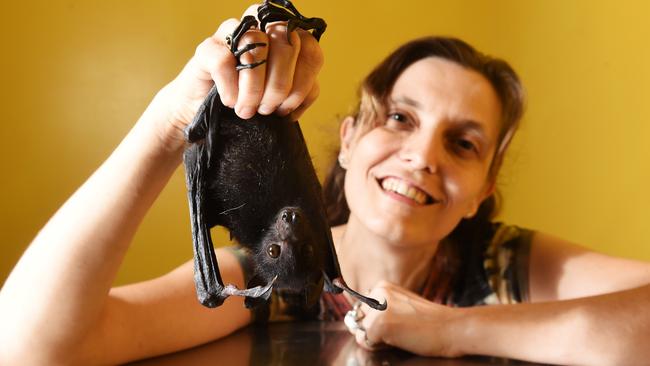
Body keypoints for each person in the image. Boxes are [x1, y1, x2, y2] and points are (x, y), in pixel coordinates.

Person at [1, 5, 649, 365]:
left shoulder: (509, 263)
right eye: (400, 117)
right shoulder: (274, 271)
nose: (423, 155)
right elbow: (27, 346)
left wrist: (456, 330)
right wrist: (172, 118)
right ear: (348, 140)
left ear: (483, 189)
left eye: (463, 143)